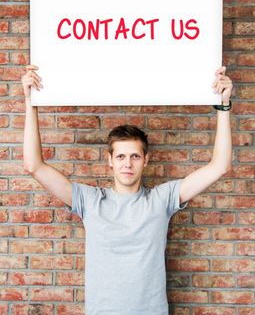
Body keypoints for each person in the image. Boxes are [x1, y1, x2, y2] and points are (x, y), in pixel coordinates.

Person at [21, 65, 233, 315]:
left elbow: (219, 166)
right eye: (120, 156)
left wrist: (223, 106)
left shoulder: (161, 199)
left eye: (134, 156)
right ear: (110, 161)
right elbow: (34, 165)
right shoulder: (90, 201)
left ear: (146, 160)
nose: (127, 163)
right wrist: (30, 102)